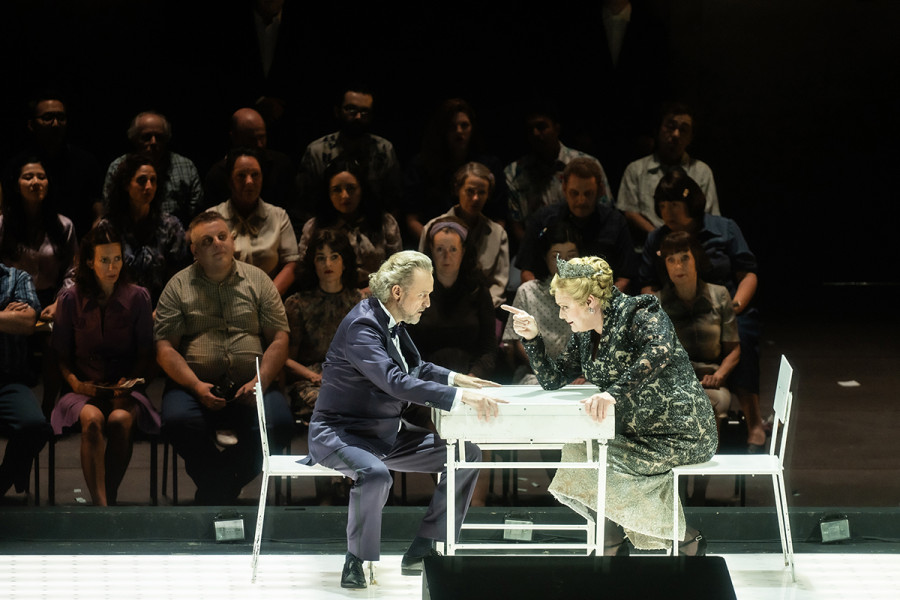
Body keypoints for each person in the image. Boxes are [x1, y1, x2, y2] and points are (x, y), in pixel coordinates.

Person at [305, 250, 505, 589]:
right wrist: (459, 398)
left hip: (384, 433)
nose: (428, 302)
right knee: (375, 474)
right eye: (423, 294)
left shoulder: (391, 320)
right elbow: (394, 381)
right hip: (340, 434)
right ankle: (356, 559)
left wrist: (458, 379)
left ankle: (425, 547)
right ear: (398, 292)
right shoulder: (363, 325)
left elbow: (417, 367)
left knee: (465, 455)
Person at [504, 255, 716, 555]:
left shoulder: (640, 312)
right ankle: (616, 540)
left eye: (565, 307)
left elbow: (659, 350)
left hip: (680, 431)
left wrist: (612, 394)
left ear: (590, 301)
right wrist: (533, 338)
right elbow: (552, 379)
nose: (562, 316)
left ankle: (678, 539)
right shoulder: (584, 334)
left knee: (602, 464)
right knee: (580, 453)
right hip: (634, 432)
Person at [154, 210, 292, 505]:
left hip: (251, 383)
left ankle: (215, 488)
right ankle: (222, 486)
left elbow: (279, 338)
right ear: (194, 251)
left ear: (232, 241)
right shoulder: (177, 287)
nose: (217, 243)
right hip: (195, 386)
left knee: (279, 423)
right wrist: (195, 386)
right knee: (178, 421)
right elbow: (165, 348)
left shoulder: (259, 281)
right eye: (207, 240)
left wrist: (260, 380)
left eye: (222, 237)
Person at [639, 169, 764, 450]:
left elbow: (748, 274)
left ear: (690, 201)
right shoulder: (656, 238)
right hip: (676, 308)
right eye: (661, 206)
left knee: (741, 332)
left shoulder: (724, 228)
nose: (666, 212)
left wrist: (735, 305)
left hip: (724, 306)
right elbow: (646, 283)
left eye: (673, 204)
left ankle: (753, 420)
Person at [50, 223, 158, 506]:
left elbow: (146, 351)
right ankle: (100, 504)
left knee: (120, 421)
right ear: (89, 261)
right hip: (83, 385)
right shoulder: (70, 299)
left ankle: (108, 496)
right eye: (104, 260)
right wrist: (75, 383)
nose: (113, 267)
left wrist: (131, 381)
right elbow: (60, 355)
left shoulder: (138, 297)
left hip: (125, 386)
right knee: (94, 422)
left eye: (117, 259)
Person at [655, 231, 740, 437]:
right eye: (671, 260)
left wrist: (719, 376)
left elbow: (734, 349)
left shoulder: (719, 295)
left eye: (685, 258)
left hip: (710, 381)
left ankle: (706, 468)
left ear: (696, 259)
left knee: (710, 404)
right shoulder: (657, 303)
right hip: (673, 382)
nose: (678, 266)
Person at [516, 157, 636, 291]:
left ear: (600, 191)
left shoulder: (615, 222)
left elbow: (625, 278)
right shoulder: (543, 220)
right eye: (574, 193)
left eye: (588, 194)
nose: (581, 201)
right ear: (564, 189)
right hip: (550, 299)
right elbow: (526, 271)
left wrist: (600, 302)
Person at [283, 228, 363, 425]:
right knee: (326, 403)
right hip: (311, 379)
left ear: (344, 262)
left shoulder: (360, 302)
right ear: (313, 264)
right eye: (321, 258)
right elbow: (286, 359)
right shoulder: (298, 304)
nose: (328, 264)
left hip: (351, 376)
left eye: (334, 257)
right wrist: (314, 376)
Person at [403, 98, 507, 241]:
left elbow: (499, 217)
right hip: (435, 245)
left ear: (472, 128)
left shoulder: (490, 165)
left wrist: (486, 246)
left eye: (464, 125)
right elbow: (412, 219)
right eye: (452, 127)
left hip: (482, 245)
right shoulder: (422, 165)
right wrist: (439, 246)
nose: (459, 131)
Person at [504, 104, 611, 241]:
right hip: (536, 250)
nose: (536, 133)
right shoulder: (513, 173)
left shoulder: (589, 165)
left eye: (541, 127)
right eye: (530, 129)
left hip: (585, 246)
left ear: (557, 128)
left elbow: (605, 212)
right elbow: (516, 226)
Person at [3, 93, 104, 238]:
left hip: (79, 243)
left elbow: (98, 207)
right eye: (47, 118)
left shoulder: (85, 162)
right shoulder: (18, 164)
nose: (55, 123)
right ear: (31, 125)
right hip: (25, 243)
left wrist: (95, 234)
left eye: (61, 118)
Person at [617, 103, 720, 243]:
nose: (676, 134)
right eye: (671, 127)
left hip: (692, 245)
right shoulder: (636, 169)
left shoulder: (702, 172)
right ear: (658, 130)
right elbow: (629, 211)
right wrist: (659, 237)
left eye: (683, 130)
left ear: (691, 137)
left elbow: (710, 215)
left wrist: (682, 240)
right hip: (649, 247)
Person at [411, 218, 497, 379]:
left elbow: (488, 348)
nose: (446, 256)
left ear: (463, 251)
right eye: (440, 249)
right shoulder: (417, 291)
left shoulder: (478, 291)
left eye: (453, 249)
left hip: (472, 379)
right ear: (431, 249)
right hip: (426, 381)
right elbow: (409, 347)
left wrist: (473, 377)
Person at [297, 84, 402, 214]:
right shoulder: (317, 151)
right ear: (337, 111)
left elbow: (393, 202)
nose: (358, 116)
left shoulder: (384, 149)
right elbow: (304, 204)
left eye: (364, 112)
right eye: (351, 110)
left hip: (374, 227)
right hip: (326, 226)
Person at [297, 158, 402, 289]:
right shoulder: (314, 227)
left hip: (377, 296)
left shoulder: (385, 223)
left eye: (351, 188)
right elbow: (304, 269)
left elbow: (397, 271)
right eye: (337, 190)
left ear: (362, 189)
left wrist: (368, 294)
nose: (345, 196)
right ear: (328, 193)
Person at [418, 162, 509, 308]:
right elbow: (423, 275)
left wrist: (481, 309)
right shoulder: (432, 228)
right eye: (470, 191)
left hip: (481, 308)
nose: (475, 198)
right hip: (439, 306)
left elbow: (498, 285)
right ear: (458, 190)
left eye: (481, 193)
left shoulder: (497, 233)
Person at [502, 221, 583, 384]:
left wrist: (583, 373)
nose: (564, 263)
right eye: (556, 256)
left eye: (571, 255)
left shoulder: (589, 293)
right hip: (536, 373)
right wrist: (544, 368)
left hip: (581, 376)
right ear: (545, 257)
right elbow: (516, 341)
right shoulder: (528, 291)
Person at [104, 154, 190, 304]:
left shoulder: (171, 227)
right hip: (117, 308)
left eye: (153, 181)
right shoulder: (109, 227)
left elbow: (179, 278)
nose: (149, 187)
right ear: (126, 184)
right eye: (142, 180)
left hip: (162, 309)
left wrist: (162, 311)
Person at [212, 147, 299, 296]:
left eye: (255, 175)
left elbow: (291, 264)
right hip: (223, 303)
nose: (249, 181)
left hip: (268, 301)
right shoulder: (212, 218)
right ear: (229, 181)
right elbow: (202, 265)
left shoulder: (278, 216)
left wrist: (266, 299)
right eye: (241, 176)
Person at [0, 157, 78, 322]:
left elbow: (72, 271)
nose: (36, 182)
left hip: (52, 302)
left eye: (41, 177)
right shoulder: (3, 225)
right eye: (28, 177)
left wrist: (60, 303)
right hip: (11, 303)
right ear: (16, 185)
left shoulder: (64, 225)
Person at [0, 261, 50, 498]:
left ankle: (3, 480)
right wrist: (5, 317)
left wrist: (15, 320)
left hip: (8, 379)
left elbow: (27, 322)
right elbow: (14, 322)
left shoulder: (16, 278)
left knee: (35, 425)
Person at [104, 111, 204, 226]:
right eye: (146, 137)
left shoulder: (186, 166)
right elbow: (110, 208)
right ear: (135, 139)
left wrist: (184, 236)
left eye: (159, 137)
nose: (153, 142)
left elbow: (197, 213)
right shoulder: (118, 167)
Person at [203, 108, 299, 225]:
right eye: (252, 139)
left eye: (262, 137)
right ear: (234, 138)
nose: (259, 144)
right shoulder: (217, 174)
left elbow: (295, 211)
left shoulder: (282, 164)